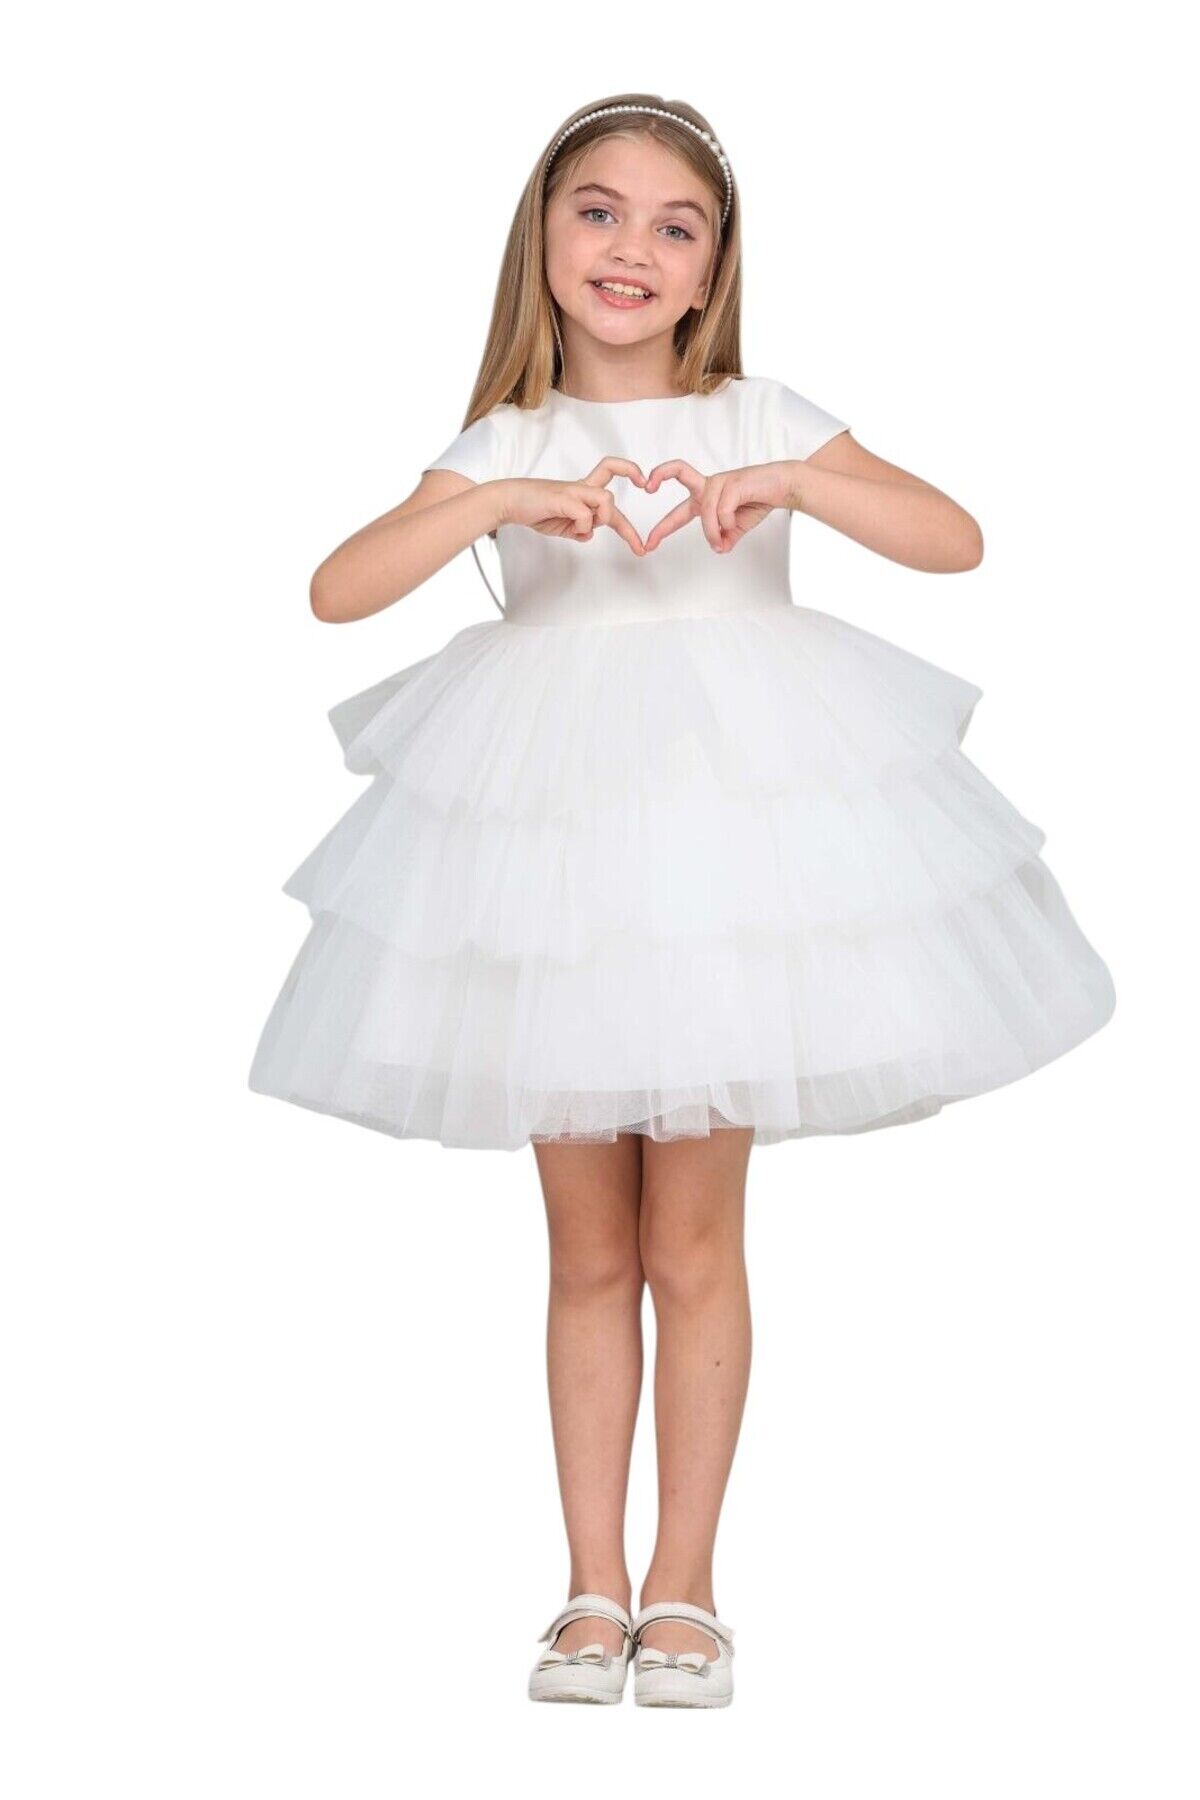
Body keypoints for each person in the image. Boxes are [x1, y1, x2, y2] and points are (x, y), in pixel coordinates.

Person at [247, 94, 1117, 1708]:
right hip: (553, 878)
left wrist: (792, 480)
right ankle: (589, 1589)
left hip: (727, 875)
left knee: (691, 1239)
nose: (631, 247)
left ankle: (687, 1587)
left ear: (713, 271)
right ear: (542, 237)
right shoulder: (507, 440)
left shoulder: (750, 413)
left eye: (675, 224)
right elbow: (336, 588)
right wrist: (494, 503)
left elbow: (954, 538)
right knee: (588, 1248)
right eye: (598, 211)